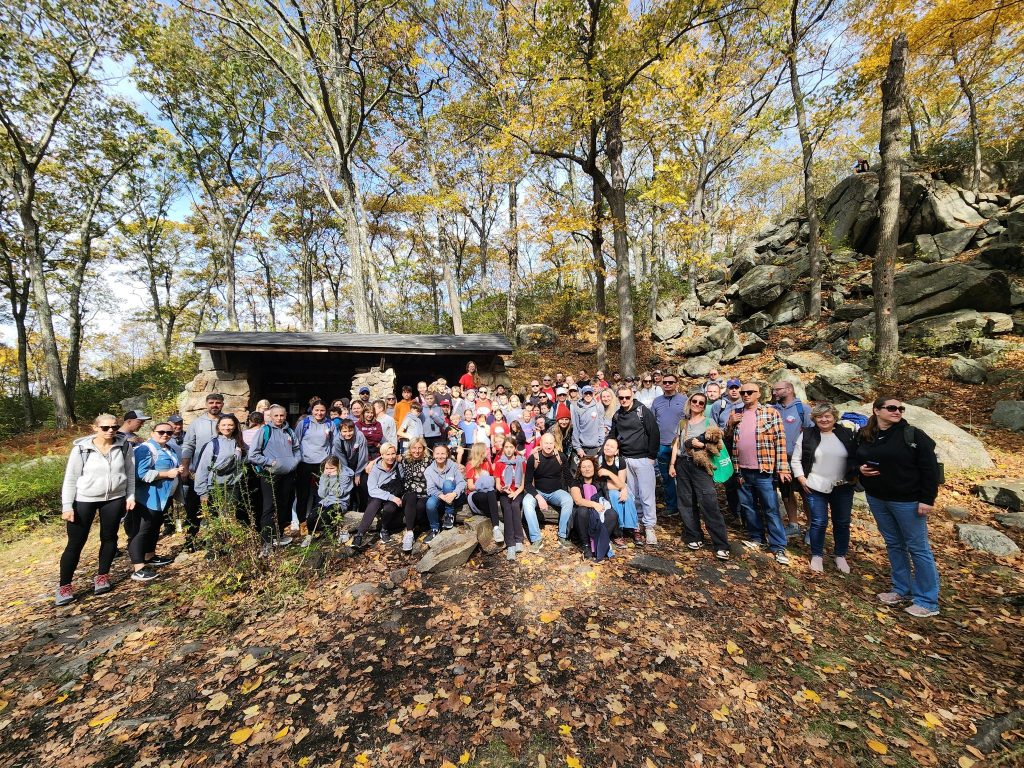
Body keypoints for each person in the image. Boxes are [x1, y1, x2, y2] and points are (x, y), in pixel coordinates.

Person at [856, 397, 941, 618]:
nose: (897, 411)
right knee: (894, 544)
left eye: (900, 408)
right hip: (877, 498)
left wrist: (927, 499)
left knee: (918, 548)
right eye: (892, 408)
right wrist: (859, 470)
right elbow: (857, 457)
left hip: (907, 501)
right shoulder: (866, 434)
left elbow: (930, 469)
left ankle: (927, 600)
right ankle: (901, 589)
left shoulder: (912, 435)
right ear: (876, 410)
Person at [56, 414, 136, 605]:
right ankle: (64, 586)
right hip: (84, 499)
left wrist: (130, 496)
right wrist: (67, 506)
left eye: (114, 427)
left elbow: (130, 473)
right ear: (95, 428)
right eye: (105, 428)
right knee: (76, 543)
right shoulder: (82, 449)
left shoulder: (124, 446)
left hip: (114, 498)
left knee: (109, 538)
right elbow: (71, 478)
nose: (111, 431)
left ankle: (102, 576)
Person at [725, 382, 792, 565]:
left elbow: (780, 440)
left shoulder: (770, 413)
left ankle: (778, 545)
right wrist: (730, 425)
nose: (745, 395)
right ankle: (756, 538)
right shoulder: (736, 413)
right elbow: (728, 439)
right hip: (741, 469)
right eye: (743, 392)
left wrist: (783, 467)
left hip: (764, 470)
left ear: (759, 394)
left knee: (770, 508)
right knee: (748, 506)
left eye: (750, 392)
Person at [791, 404, 859, 574]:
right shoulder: (807, 434)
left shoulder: (846, 433)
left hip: (842, 486)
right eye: (819, 416)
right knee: (819, 522)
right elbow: (796, 459)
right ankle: (817, 555)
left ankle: (840, 555)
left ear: (834, 417)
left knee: (842, 522)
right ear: (814, 418)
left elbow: (857, 456)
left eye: (827, 416)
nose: (824, 419)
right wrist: (801, 479)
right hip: (815, 486)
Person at [669, 393, 730, 561]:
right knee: (686, 502)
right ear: (690, 403)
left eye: (701, 403)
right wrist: (672, 464)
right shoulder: (683, 423)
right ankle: (694, 536)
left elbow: (718, 444)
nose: (697, 404)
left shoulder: (709, 422)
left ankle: (721, 544)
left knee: (708, 502)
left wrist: (702, 444)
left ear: (704, 406)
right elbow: (676, 444)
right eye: (694, 401)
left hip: (702, 466)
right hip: (683, 463)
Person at [125, 421, 181, 583]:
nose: (165, 435)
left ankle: (150, 556)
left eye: (169, 433)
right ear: (152, 433)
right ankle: (138, 568)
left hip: (163, 497)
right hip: (146, 497)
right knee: (141, 531)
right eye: (161, 432)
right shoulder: (145, 449)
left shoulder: (168, 449)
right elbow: (140, 474)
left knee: (154, 527)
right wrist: (166, 474)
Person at [247, 405, 301, 554]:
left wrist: (294, 462)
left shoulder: (289, 431)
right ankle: (266, 542)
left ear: (286, 416)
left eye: (282, 415)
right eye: (276, 416)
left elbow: (297, 449)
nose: (279, 418)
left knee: (283, 505)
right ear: (270, 417)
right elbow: (253, 455)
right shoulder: (264, 431)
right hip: (270, 474)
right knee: (269, 507)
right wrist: (271, 462)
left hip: (288, 474)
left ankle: (278, 535)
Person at [610, 387, 661, 545]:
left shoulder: (642, 411)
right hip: (626, 459)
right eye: (621, 398)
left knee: (647, 495)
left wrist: (651, 456)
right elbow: (613, 435)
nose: (624, 400)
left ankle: (649, 526)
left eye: (627, 397)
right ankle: (636, 523)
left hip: (643, 458)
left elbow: (654, 432)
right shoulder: (617, 415)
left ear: (632, 396)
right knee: (632, 494)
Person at [180, 393, 225, 546]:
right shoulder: (196, 423)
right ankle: (190, 542)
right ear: (206, 404)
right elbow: (188, 446)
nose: (214, 405)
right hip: (198, 473)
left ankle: (217, 543)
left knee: (217, 510)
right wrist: (185, 468)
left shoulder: (228, 421)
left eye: (218, 402)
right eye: (211, 402)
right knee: (193, 509)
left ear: (222, 404)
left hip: (220, 474)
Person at [771, 380, 814, 537]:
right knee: (786, 492)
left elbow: (812, 432)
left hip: (801, 459)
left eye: (778, 389)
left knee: (806, 491)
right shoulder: (773, 409)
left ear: (789, 389)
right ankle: (793, 524)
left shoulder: (803, 409)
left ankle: (811, 527)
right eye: (773, 390)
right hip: (780, 458)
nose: (774, 392)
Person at [522, 433, 575, 550]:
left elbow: (568, 477)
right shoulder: (533, 458)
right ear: (541, 444)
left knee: (568, 500)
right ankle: (536, 539)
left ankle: (562, 536)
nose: (548, 446)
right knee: (527, 502)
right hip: (539, 491)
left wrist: (577, 490)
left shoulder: (561, 457)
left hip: (556, 492)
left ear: (554, 444)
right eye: (546, 443)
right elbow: (527, 484)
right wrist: (538, 497)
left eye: (551, 443)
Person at [295, 400, 337, 540]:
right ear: (312, 410)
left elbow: (334, 443)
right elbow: (296, 442)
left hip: (323, 464)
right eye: (316, 410)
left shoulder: (330, 424)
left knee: (322, 494)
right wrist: (298, 459)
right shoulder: (304, 423)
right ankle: (302, 523)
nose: (319, 413)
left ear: (326, 411)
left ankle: (318, 523)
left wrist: (331, 461)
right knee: (303, 494)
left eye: (322, 410)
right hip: (305, 463)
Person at [194, 414, 247, 520]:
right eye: (223, 425)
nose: (227, 428)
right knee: (213, 520)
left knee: (229, 519)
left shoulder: (239, 443)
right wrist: (202, 492)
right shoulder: (213, 444)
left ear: (235, 426)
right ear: (218, 426)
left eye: (230, 425)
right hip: (215, 488)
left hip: (232, 487)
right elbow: (203, 468)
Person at [353, 443, 405, 548]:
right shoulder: (375, 468)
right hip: (378, 494)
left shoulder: (399, 466)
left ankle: (384, 529)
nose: (390, 457)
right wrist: (391, 497)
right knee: (375, 503)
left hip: (393, 493)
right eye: (387, 454)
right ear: (382, 455)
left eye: (393, 454)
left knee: (390, 508)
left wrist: (396, 497)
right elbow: (372, 490)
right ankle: (359, 535)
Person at [651, 375, 687, 523]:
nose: (667, 384)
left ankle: (686, 507)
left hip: (680, 446)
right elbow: (652, 423)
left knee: (683, 477)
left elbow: (689, 420)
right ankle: (672, 506)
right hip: (662, 445)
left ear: (676, 384)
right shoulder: (657, 401)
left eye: (670, 382)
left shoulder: (684, 400)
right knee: (666, 477)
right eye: (665, 382)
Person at [570, 456, 617, 561]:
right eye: (584, 467)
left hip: (599, 515)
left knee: (612, 514)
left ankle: (601, 542)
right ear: (580, 469)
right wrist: (594, 504)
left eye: (589, 466)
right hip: (582, 519)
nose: (587, 469)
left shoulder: (600, 481)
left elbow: (620, 485)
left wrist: (623, 488)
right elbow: (578, 500)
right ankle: (586, 545)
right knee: (583, 510)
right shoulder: (576, 482)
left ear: (594, 468)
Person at [598, 439, 637, 546]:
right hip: (603, 488)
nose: (608, 448)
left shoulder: (620, 461)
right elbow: (601, 482)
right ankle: (618, 531)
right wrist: (620, 485)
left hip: (617, 486)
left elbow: (621, 483)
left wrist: (609, 474)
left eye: (612, 446)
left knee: (628, 498)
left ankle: (633, 528)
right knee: (615, 495)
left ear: (616, 451)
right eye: (607, 445)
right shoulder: (599, 460)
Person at [307, 456, 354, 544]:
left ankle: (331, 536)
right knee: (310, 518)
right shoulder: (325, 475)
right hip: (325, 501)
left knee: (325, 517)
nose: (329, 471)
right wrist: (325, 478)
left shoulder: (345, 476)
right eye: (327, 468)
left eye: (332, 468)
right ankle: (311, 535)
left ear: (338, 467)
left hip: (339, 502)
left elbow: (338, 494)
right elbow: (322, 494)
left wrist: (333, 478)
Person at [465, 443, 504, 545]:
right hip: (475, 494)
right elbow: (470, 486)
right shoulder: (470, 465)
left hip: (488, 493)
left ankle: (496, 528)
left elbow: (492, 477)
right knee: (487, 492)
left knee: (491, 491)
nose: (488, 452)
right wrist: (482, 484)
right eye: (486, 450)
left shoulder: (487, 463)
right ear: (480, 452)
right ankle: (497, 522)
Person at [494, 439, 527, 561]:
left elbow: (523, 484)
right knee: (507, 509)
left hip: (517, 491)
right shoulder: (499, 463)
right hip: (504, 493)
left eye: (511, 447)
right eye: (506, 447)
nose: (508, 450)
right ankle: (510, 545)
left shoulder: (521, 462)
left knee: (515, 506)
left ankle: (519, 539)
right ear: (503, 448)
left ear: (515, 448)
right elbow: (498, 485)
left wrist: (515, 493)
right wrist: (503, 489)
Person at [424, 444, 466, 539]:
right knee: (430, 503)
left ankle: (449, 514)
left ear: (447, 454)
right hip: (440, 496)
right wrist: (441, 496)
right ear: (433, 455)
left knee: (447, 483)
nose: (440, 456)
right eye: (437, 453)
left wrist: (454, 493)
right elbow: (430, 489)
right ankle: (434, 529)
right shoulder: (429, 471)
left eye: (443, 453)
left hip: (454, 496)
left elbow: (462, 483)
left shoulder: (454, 466)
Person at [398, 438, 431, 552]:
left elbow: (445, 458)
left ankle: (417, 524)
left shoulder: (429, 461)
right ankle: (409, 533)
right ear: (410, 448)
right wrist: (372, 462)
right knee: (411, 496)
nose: (416, 451)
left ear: (424, 448)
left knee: (421, 506)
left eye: (419, 448)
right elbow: (387, 455)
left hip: (424, 493)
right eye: (414, 448)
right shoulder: (405, 459)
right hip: (409, 493)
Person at [332, 419, 369, 511]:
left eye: (350, 431)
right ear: (340, 431)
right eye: (344, 431)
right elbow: (341, 459)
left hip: (360, 465)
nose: (348, 434)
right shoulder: (337, 440)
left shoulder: (360, 436)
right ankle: (349, 509)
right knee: (348, 487)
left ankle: (363, 511)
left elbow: (363, 456)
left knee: (363, 486)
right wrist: (349, 475)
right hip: (345, 466)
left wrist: (358, 474)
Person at [571, 385, 605, 459]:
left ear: (593, 394)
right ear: (582, 394)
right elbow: (575, 429)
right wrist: (577, 448)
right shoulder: (577, 408)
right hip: (581, 447)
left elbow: (601, 426)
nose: (588, 395)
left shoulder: (599, 407)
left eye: (590, 393)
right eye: (586, 393)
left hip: (595, 447)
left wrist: (601, 445)